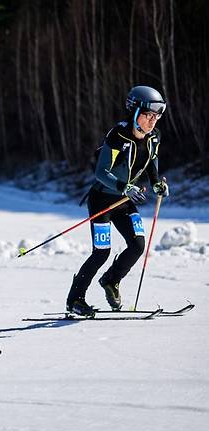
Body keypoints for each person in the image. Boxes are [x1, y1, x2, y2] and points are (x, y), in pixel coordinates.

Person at [66, 85, 170, 316]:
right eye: (148, 115)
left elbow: (152, 165)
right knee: (101, 252)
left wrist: (157, 184)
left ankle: (111, 281)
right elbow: (101, 172)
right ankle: (74, 299)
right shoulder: (118, 136)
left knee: (137, 245)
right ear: (134, 113)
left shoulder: (154, 138)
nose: (153, 121)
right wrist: (125, 186)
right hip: (103, 200)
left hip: (124, 199)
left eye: (156, 117)